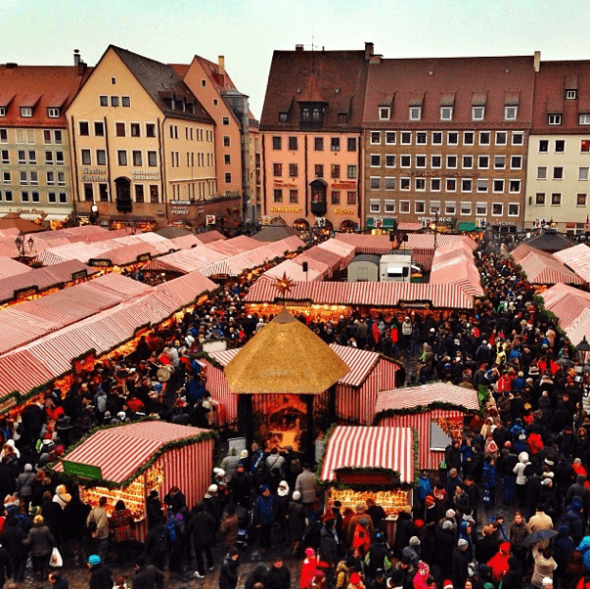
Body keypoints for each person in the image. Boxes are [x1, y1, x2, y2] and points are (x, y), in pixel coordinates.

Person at [23, 514, 56, 581]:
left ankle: (40, 575)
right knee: (45, 563)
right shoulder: (46, 529)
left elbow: (28, 541)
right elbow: (51, 539)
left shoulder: (32, 531)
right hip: (46, 549)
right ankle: (44, 574)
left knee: (39, 564)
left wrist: (22, 541)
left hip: (36, 551)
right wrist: (54, 545)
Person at [187, 503, 216, 579]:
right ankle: (211, 565)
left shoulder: (194, 518)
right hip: (207, 538)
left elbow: (189, 529)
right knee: (208, 551)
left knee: (199, 556)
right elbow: (214, 523)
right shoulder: (208, 516)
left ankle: (201, 572)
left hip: (198, 540)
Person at [86, 496, 110, 563]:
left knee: (97, 549)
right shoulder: (103, 513)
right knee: (102, 551)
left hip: (94, 534)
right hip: (102, 535)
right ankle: (99, 564)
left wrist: (92, 532)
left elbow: (88, 521)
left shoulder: (93, 511)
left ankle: (95, 563)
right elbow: (101, 526)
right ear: (105, 503)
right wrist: (97, 533)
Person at [110, 500, 134, 565]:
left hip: (117, 533)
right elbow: (131, 520)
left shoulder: (114, 513)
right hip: (126, 531)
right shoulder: (127, 512)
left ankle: (120, 561)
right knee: (127, 547)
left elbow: (112, 522)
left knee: (119, 548)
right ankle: (128, 560)